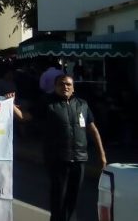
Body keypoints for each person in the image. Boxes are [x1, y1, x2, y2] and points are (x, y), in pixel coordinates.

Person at [40, 75, 106, 221]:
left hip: (79, 159)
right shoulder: (48, 104)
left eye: (69, 84)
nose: (65, 87)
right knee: (58, 198)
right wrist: (10, 104)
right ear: (55, 86)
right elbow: (25, 117)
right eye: (61, 84)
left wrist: (102, 155)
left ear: (73, 88)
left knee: (73, 198)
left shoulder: (82, 105)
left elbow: (93, 130)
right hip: (57, 159)